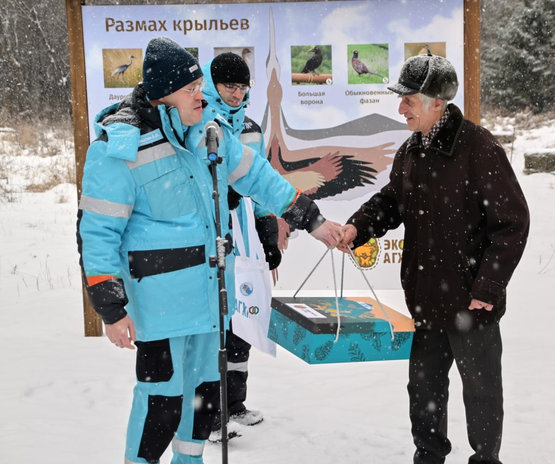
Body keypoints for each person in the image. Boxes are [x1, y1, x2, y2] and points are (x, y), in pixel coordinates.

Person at [77, 37, 343, 464]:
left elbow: (259, 178)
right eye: (192, 89)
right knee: (161, 403)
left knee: (204, 398)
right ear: (164, 94)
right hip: (159, 305)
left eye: (201, 85)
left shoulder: (209, 135)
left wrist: (311, 219)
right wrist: (110, 306)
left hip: (209, 297)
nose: (203, 95)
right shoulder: (118, 150)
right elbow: (97, 234)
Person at [338, 53, 530, 464]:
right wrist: (358, 228)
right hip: (426, 300)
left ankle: (485, 459)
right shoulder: (413, 149)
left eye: (409, 99)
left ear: (437, 103)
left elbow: (512, 224)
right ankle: (428, 457)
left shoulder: (479, 148)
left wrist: (488, 288)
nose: (400, 107)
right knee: (424, 391)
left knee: (481, 393)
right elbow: (393, 201)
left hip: (471, 304)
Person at [199, 52, 274, 437]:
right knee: (216, 323)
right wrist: (221, 190)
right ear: (213, 85)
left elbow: (261, 182)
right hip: (211, 235)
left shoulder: (251, 127)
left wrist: (268, 231)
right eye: (230, 86)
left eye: (243, 87)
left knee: (242, 317)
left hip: (244, 237)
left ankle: (236, 403)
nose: (237, 93)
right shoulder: (199, 121)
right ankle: (211, 415)